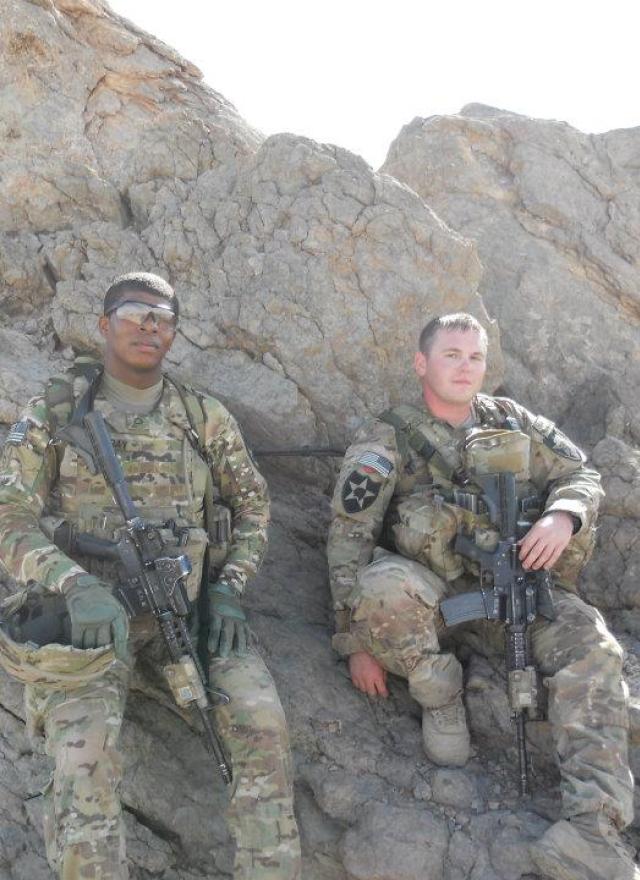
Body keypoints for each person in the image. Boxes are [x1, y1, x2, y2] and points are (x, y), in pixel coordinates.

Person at [0, 272, 301, 880]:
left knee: (261, 726)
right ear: (105, 324)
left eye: (162, 318)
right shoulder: (56, 411)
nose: (149, 327)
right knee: (85, 760)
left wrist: (229, 589)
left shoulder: (201, 415)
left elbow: (253, 508)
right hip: (86, 623)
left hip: (186, 614)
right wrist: (73, 583)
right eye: (135, 314)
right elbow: (9, 514)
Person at [327, 313, 637, 880]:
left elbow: (581, 474)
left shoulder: (512, 420)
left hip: (522, 586)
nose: (464, 367)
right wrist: (357, 641)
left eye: (474, 357)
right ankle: (440, 696)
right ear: (422, 363)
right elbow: (349, 540)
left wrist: (562, 517)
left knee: (596, 651)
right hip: (438, 598)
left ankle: (592, 830)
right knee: (383, 586)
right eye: (451, 355)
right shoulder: (386, 438)